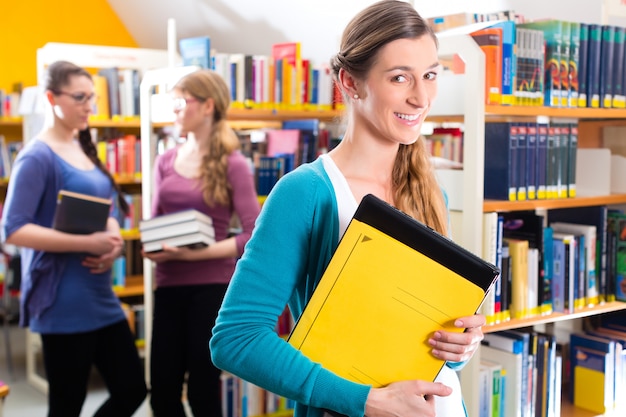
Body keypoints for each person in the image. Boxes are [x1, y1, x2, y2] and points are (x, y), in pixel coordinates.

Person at [210, 1, 486, 416]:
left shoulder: (433, 192)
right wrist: (368, 402)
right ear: (350, 83)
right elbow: (236, 338)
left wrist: (458, 343)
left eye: (430, 75)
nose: (420, 97)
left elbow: (430, 345)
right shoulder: (305, 193)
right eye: (399, 78)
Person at [0, 60, 147, 416]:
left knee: (132, 389)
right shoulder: (36, 157)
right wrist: (87, 244)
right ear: (52, 98)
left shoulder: (84, 146)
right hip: (62, 299)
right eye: (80, 97)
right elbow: (14, 228)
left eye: (92, 98)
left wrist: (111, 240)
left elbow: (107, 208)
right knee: (67, 403)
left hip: (100, 295)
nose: (90, 107)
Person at [143, 69, 260, 416]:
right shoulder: (165, 160)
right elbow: (155, 222)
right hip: (168, 287)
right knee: (162, 392)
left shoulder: (233, 164)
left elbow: (253, 233)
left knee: (202, 392)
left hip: (210, 288)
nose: (175, 110)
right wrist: (151, 246)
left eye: (180, 101)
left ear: (207, 106)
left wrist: (198, 255)